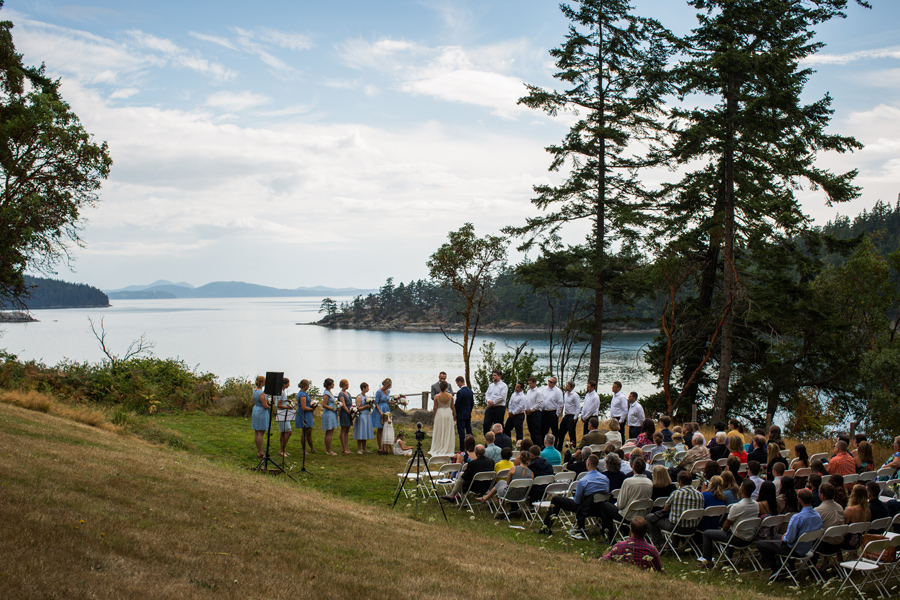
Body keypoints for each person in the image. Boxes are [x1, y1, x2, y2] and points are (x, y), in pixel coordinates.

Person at [757, 488, 822, 581]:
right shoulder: (817, 515)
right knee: (775, 536)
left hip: (794, 548)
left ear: (799, 500)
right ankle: (790, 566)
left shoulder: (797, 517)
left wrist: (785, 537)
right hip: (807, 546)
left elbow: (789, 539)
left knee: (760, 544)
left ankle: (777, 568)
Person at [698, 479, 760, 566]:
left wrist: (723, 530)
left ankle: (707, 561)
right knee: (732, 530)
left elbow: (727, 524)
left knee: (707, 533)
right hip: (749, 537)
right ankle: (729, 557)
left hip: (738, 538)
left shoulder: (737, 506)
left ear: (741, 490)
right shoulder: (756, 505)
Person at [541, 454, 609, 534]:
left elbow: (577, 501)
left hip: (585, 509)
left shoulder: (583, 481)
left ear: (588, 463)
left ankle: (546, 528)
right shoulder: (605, 479)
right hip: (600, 509)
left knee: (556, 500)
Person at [600, 457, 652, 543]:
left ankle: (610, 537)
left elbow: (620, 505)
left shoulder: (628, 481)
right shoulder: (649, 482)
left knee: (604, 505)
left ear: (633, 467)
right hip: (642, 514)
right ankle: (624, 532)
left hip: (627, 516)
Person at [646, 470, 704, 548]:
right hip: (692, 527)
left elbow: (666, 509)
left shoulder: (676, 493)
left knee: (650, 518)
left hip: (676, 527)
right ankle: (673, 544)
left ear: (680, 482)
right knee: (676, 518)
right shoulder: (699, 494)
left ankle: (660, 542)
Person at [813, 482, 845, 560]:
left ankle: (812, 567)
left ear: (822, 495)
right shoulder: (840, 507)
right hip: (839, 544)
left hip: (826, 545)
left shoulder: (818, 511)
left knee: (811, 537)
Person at [429, 380, 456, 457]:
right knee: (448, 430)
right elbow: (452, 407)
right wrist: (455, 415)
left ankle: (438, 446)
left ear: (439, 387)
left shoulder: (436, 397)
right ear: (446, 387)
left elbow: (435, 408)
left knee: (439, 430)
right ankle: (447, 447)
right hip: (448, 413)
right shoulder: (450, 396)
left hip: (440, 413)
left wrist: (434, 417)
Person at [842, 484, 870, 551]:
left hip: (848, 542)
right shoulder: (867, 511)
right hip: (859, 541)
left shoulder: (850, 510)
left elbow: (843, 528)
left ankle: (840, 559)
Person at [483, 370, 508, 436]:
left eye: (495, 375)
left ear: (499, 376)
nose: (493, 377)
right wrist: (489, 401)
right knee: (486, 424)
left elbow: (502, 397)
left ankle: (499, 440)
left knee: (498, 425)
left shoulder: (503, 386)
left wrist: (493, 402)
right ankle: (487, 439)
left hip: (499, 407)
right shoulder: (491, 385)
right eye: (493, 375)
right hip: (490, 407)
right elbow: (487, 394)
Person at [251, 375, 271, 458]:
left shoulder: (255, 391)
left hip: (255, 410)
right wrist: (270, 406)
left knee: (256, 432)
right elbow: (265, 405)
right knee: (261, 433)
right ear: (262, 382)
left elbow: (253, 402)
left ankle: (259, 450)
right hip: (261, 412)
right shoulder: (262, 393)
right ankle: (260, 451)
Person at [558, 380, 580, 451]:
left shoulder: (575, 395)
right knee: (561, 431)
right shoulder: (566, 394)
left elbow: (578, 407)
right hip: (566, 415)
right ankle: (559, 447)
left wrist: (575, 417)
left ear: (571, 387)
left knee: (571, 433)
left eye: (568, 386)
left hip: (572, 416)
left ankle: (573, 448)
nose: (566, 387)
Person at [454, 376, 474, 452]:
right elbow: (472, 403)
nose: (457, 385)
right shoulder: (470, 391)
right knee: (469, 431)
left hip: (461, 415)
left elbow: (457, 404)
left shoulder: (460, 392)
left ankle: (462, 448)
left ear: (459, 382)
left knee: (461, 432)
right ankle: (471, 446)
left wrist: (455, 413)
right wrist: (469, 411)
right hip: (468, 414)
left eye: (457, 383)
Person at [296, 379, 316, 454]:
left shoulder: (304, 393)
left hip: (308, 413)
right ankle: (304, 450)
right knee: (305, 432)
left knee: (309, 431)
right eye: (308, 385)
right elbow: (303, 407)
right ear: (305, 386)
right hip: (305, 413)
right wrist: (312, 409)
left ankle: (312, 448)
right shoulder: (302, 395)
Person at [353, 382, 374, 453]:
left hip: (367, 415)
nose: (368, 389)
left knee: (365, 431)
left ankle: (364, 448)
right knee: (360, 431)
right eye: (367, 388)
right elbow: (357, 408)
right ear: (363, 388)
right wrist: (365, 406)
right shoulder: (359, 397)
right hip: (362, 415)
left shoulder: (366, 397)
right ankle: (359, 448)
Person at [541, 377, 562, 442]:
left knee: (554, 430)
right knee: (543, 429)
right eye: (549, 381)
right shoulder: (544, 389)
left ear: (554, 383)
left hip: (552, 412)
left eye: (551, 382)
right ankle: (543, 444)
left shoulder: (558, 391)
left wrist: (557, 414)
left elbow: (560, 403)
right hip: (544, 412)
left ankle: (554, 445)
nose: (549, 383)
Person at [373, 378, 392, 451]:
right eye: (387, 386)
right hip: (379, 409)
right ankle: (379, 446)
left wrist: (394, 402)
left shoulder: (388, 391)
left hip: (386, 408)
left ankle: (386, 445)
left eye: (389, 386)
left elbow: (387, 401)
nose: (388, 387)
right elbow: (376, 402)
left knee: (387, 427)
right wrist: (380, 411)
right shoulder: (379, 392)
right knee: (380, 428)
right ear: (384, 384)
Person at [321, 378, 339, 456]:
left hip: (332, 413)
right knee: (329, 431)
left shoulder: (329, 392)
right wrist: (332, 408)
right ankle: (328, 450)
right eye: (332, 384)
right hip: (329, 413)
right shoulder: (326, 394)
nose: (333, 385)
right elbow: (324, 405)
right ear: (329, 385)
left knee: (331, 431)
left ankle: (328, 449)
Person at [275, 377, 292, 458]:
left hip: (284, 412)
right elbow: (279, 405)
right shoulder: (281, 393)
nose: (289, 385)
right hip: (282, 412)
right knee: (289, 431)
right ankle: (281, 449)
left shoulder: (283, 392)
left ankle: (283, 449)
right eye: (288, 383)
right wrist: (287, 407)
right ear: (284, 384)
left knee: (283, 432)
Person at [524, 377, 543, 442]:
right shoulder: (529, 391)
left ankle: (538, 446)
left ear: (534, 383)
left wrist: (531, 410)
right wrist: (526, 409)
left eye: (531, 383)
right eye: (528, 383)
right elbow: (527, 401)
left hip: (535, 413)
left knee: (536, 431)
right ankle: (533, 444)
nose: (529, 385)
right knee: (531, 430)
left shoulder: (538, 392)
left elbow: (539, 403)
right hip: (529, 413)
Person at [337, 379, 353, 454]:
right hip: (344, 413)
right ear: (343, 385)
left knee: (347, 430)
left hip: (349, 411)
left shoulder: (348, 393)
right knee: (343, 429)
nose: (347, 386)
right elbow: (343, 404)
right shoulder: (341, 394)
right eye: (346, 385)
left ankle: (346, 447)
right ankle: (343, 448)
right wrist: (348, 412)